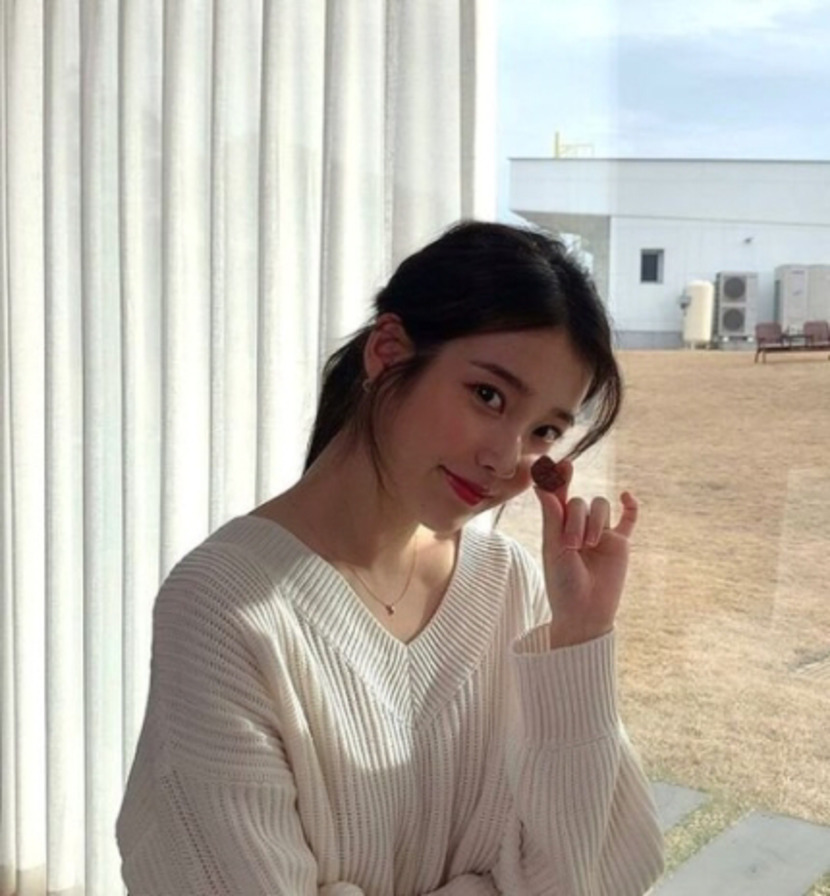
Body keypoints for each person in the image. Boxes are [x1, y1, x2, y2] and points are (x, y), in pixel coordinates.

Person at [116, 221, 665, 895]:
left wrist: (580, 635)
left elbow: (593, 875)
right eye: (488, 395)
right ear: (387, 351)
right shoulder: (223, 606)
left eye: (544, 431)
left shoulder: (511, 585)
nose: (506, 459)